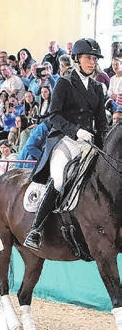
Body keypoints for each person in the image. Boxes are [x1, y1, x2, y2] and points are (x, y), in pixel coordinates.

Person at [24, 39, 108, 251]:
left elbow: (101, 121)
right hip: (65, 141)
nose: (92, 62)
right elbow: (54, 116)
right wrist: (75, 131)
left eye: (95, 58)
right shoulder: (64, 82)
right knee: (60, 180)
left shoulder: (98, 87)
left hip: (88, 144)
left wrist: (105, 144)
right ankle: (36, 229)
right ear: (77, 59)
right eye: (89, 57)